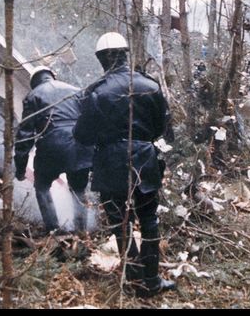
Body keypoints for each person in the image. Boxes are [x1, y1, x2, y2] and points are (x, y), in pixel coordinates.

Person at [73, 32, 175, 297]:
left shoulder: (96, 91)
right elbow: (163, 127)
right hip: (144, 157)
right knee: (149, 219)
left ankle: (132, 279)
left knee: (120, 223)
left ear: (101, 59)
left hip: (110, 161)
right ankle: (150, 281)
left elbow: (82, 135)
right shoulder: (150, 85)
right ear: (125, 54)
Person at [15, 66, 93, 234]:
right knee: (78, 189)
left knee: (42, 186)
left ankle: (53, 232)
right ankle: (82, 232)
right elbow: (90, 120)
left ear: (33, 82)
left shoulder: (33, 96)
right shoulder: (75, 90)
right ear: (52, 75)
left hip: (51, 148)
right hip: (79, 145)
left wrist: (20, 169)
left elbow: (25, 136)